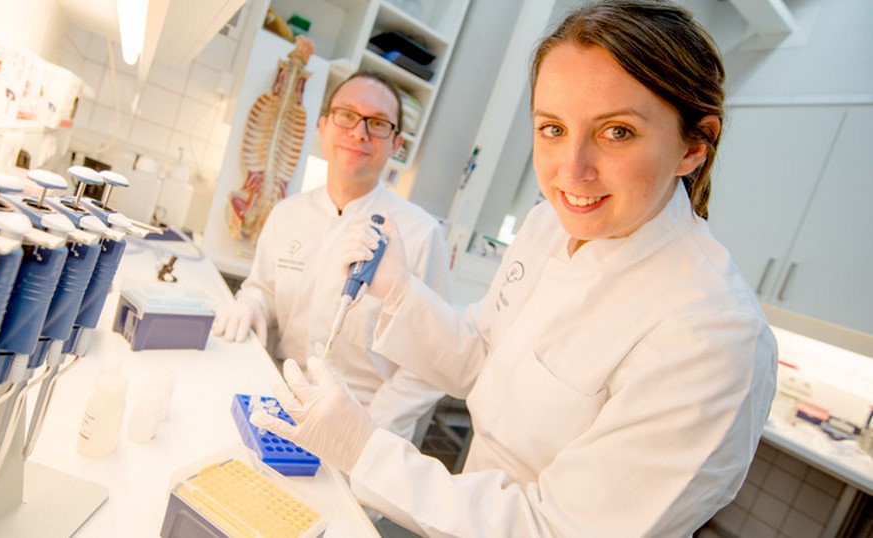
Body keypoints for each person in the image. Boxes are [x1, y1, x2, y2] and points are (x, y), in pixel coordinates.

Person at [249, 1, 779, 536]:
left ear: (694, 145)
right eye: (552, 128)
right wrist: (400, 291)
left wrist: (363, 450)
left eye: (617, 131)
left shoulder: (713, 335)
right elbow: (484, 358)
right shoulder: (549, 225)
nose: (572, 169)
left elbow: (555, 528)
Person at [213, 71, 451, 442]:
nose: (359, 132)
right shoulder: (287, 214)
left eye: (377, 123)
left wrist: (369, 428)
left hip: (364, 426)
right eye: (346, 115)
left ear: (396, 144)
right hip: (280, 402)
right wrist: (252, 302)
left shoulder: (420, 234)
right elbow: (264, 288)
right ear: (323, 127)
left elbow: (432, 358)